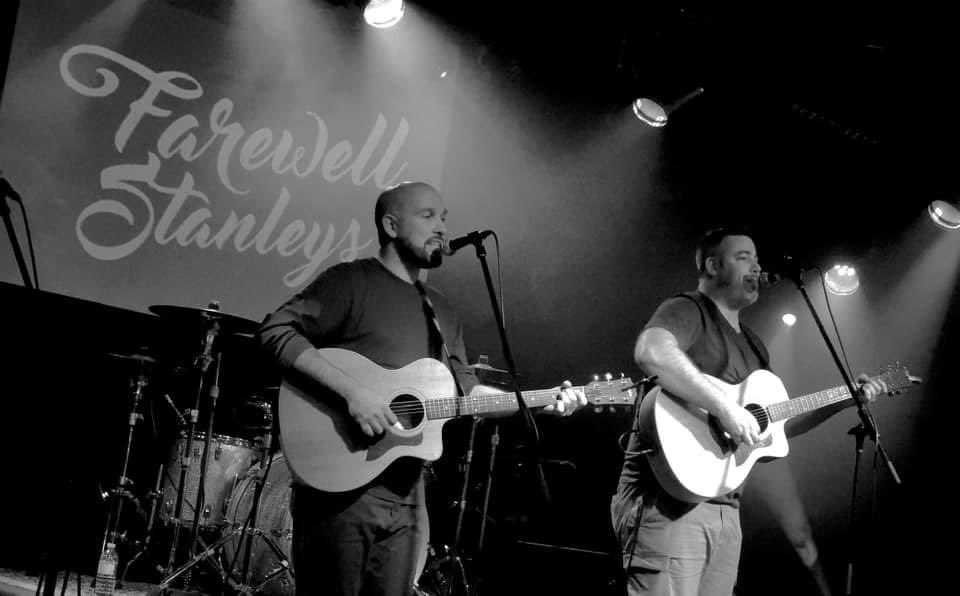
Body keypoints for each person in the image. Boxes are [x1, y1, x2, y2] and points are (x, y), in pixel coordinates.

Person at [257, 181, 586, 596]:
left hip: (409, 498)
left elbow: (467, 398)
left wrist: (536, 403)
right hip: (339, 495)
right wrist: (353, 393)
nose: (442, 228)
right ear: (391, 225)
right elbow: (275, 329)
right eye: (427, 216)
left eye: (444, 218)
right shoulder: (351, 281)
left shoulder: (442, 311)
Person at [610, 226, 888, 596]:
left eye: (757, 260)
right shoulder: (688, 309)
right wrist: (725, 407)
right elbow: (651, 352)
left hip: (724, 507)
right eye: (744, 257)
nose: (757, 267)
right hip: (667, 498)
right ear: (712, 265)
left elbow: (772, 428)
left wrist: (844, 399)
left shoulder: (754, 346)